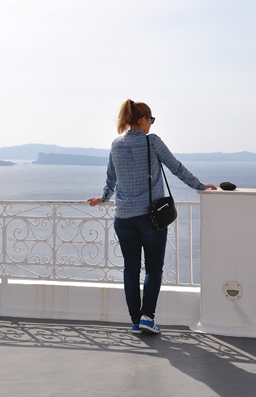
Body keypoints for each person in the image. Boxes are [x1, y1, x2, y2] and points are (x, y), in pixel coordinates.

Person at [88, 99, 216, 334]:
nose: (151, 125)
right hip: (151, 218)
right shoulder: (152, 142)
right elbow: (176, 168)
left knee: (130, 269)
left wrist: (103, 198)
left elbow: (110, 180)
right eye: (151, 120)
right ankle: (148, 316)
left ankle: (135, 322)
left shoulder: (115, 145)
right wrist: (199, 186)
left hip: (123, 219)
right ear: (143, 120)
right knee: (153, 269)